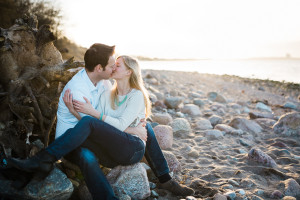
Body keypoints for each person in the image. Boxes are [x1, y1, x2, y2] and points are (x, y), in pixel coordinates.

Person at [7, 45, 194, 199]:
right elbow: (97, 121)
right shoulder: (79, 90)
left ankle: (165, 179)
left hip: (100, 138)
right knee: (89, 153)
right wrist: (78, 112)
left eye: (117, 65)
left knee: (146, 128)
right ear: (99, 68)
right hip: (72, 142)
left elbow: (103, 121)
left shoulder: (106, 83)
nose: (113, 68)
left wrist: (133, 129)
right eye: (112, 65)